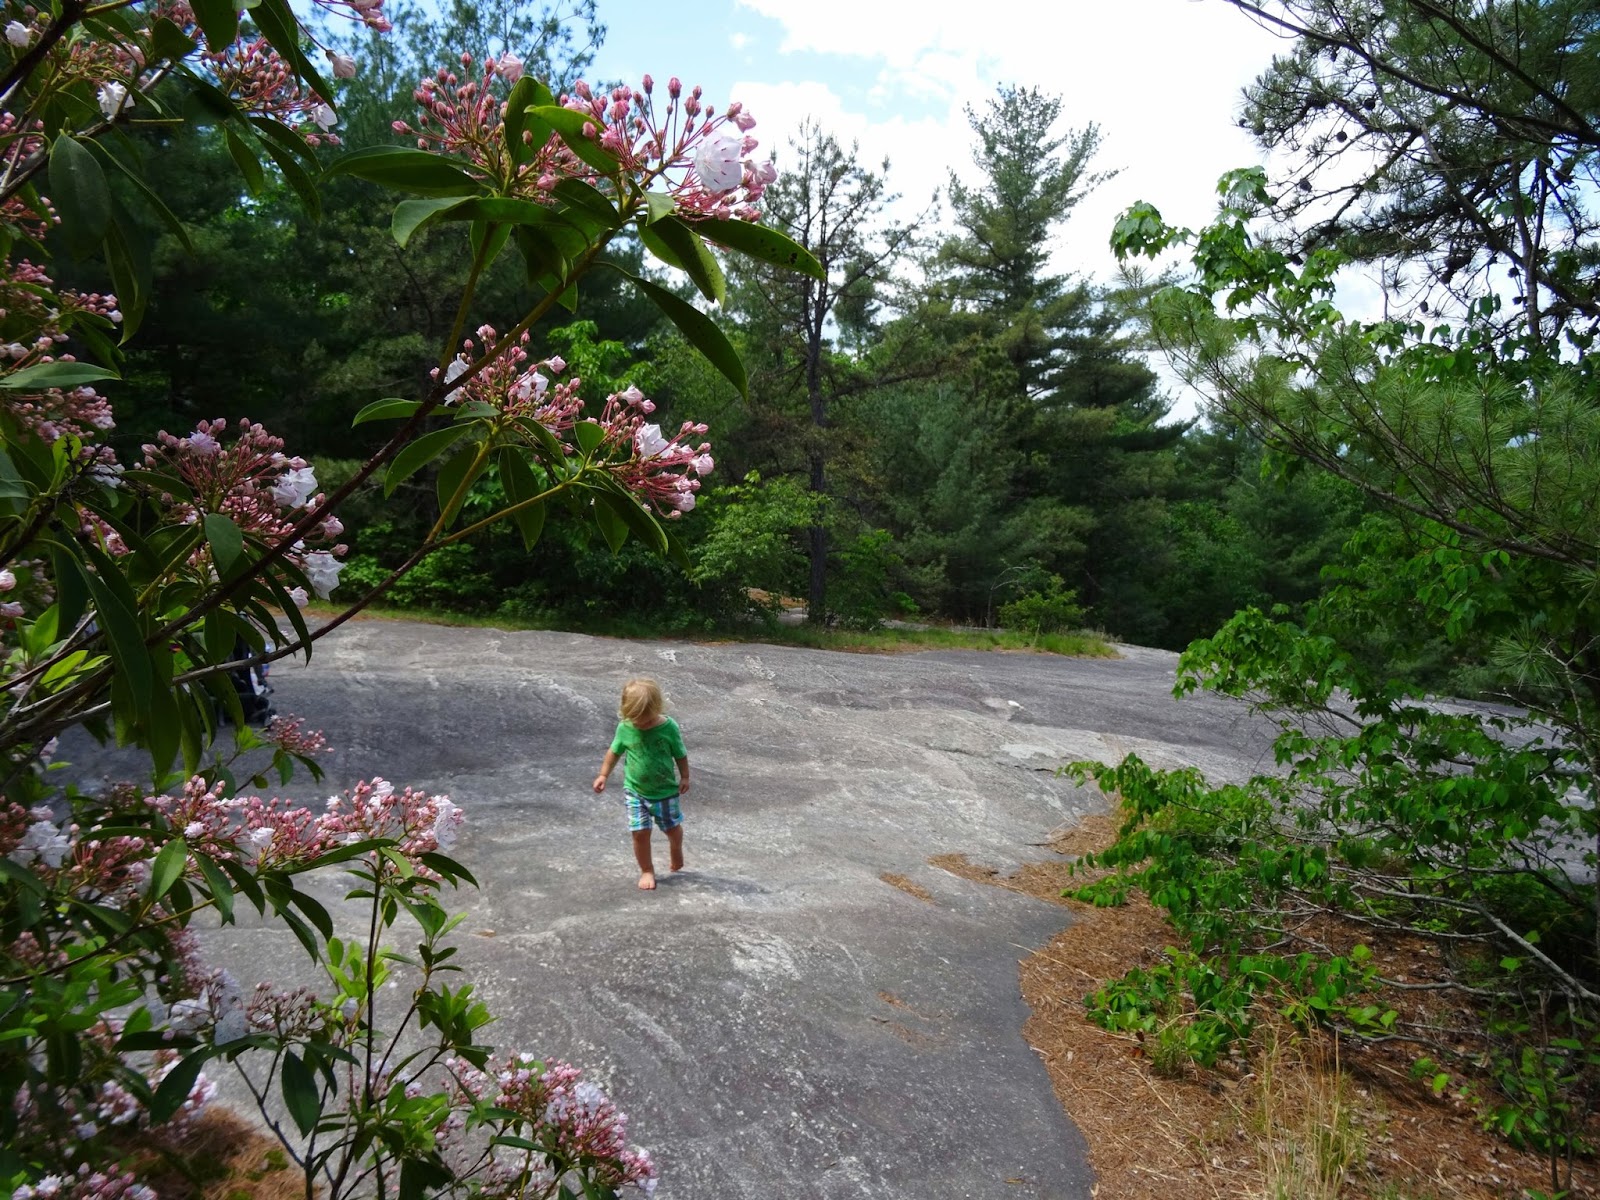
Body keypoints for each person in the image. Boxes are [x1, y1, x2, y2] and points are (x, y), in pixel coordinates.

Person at [592, 678, 690, 890]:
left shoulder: (669, 727)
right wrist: (603, 775)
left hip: (664, 791)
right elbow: (614, 752)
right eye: (636, 719)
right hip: (635, 791)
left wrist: (685, 777)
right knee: (640, 832)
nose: (642, 724)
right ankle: (647, 869)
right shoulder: (625, 728)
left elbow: (680, 754)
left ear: (657, 708)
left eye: (646, 719)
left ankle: (676, 848)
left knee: (672, 829)